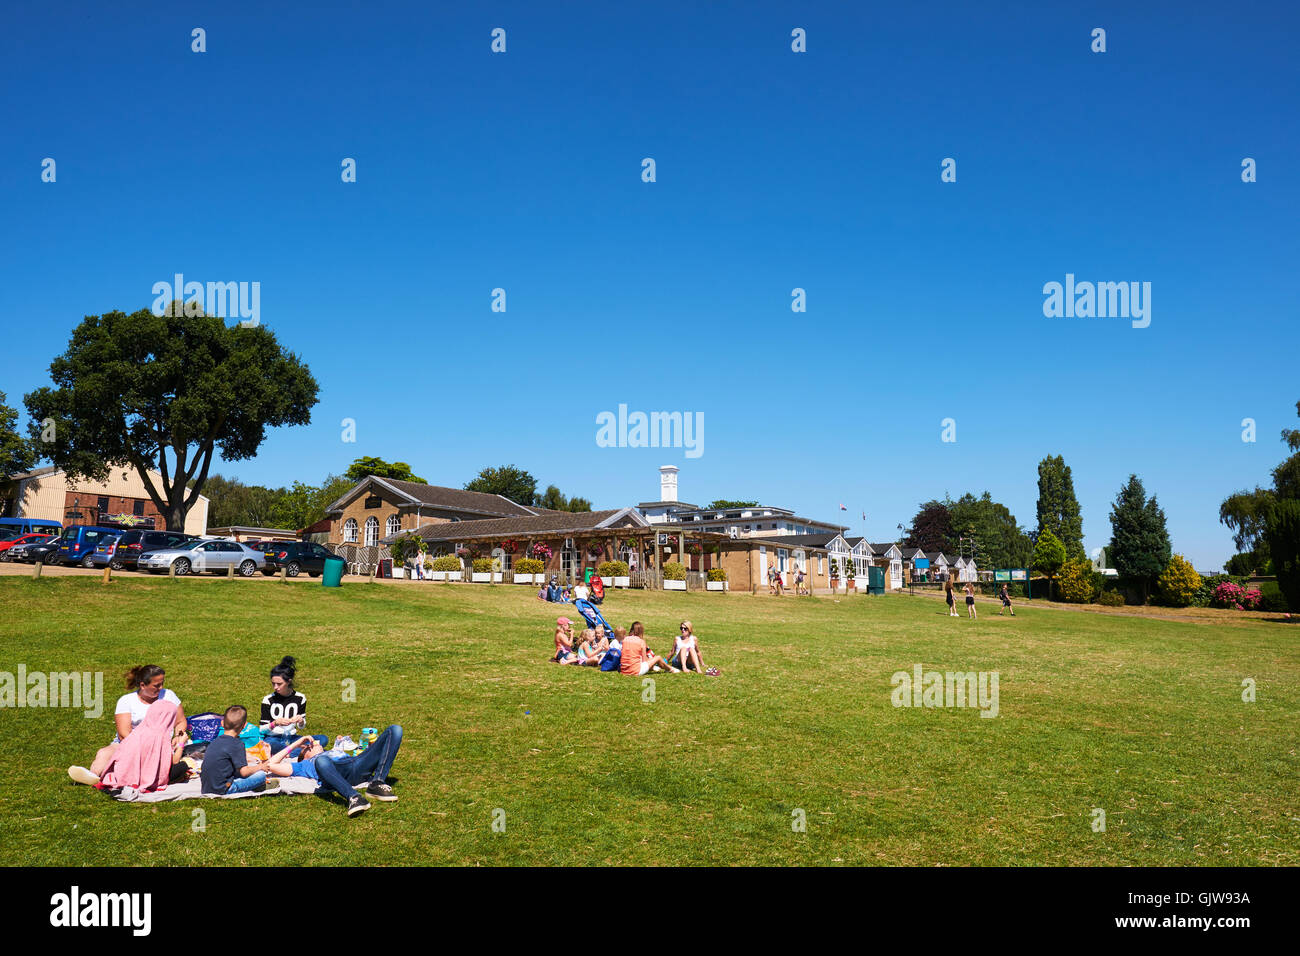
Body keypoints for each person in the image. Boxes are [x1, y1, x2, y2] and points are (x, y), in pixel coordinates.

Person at [68, 663, 187, 785]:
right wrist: (141, 749)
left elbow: (180, 721)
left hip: (160, 745)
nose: (161, 688)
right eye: (156, 685)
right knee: (104, 753)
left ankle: (113, 776)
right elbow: (124, 734)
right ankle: (93, 775)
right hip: (130, 744)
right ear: (142, 685)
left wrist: (178, 735)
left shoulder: (169, 696)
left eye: (162, 683)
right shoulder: (127, 701)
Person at [265, 726, 402, 817]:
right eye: (307, 747)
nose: (312, 744)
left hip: (356, 764)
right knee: (321, 761)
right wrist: (297, 742)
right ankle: (354, 798)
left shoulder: (333, 751)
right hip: (336, 772)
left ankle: (377, 783)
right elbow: (271, 765)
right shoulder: (304, 765)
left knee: (395, 730)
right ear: (303, 756)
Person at [98, 700, 189, 792]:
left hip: (125, 774)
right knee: (182, 766)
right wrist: (181, 743)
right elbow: (174, 761)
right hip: (147, 777)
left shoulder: (138, 731)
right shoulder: (161, 736)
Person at [260, 655, 329, 755]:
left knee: (323, 738)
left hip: (292, 738)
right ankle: (304, 751)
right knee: (271, 745)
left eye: (279, 684)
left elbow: (301, 726)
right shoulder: (268, 700)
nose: (275, 687)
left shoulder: (300, 698)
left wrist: (300, 721)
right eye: (273, 683)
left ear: (289, 682)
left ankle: (292, 751)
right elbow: (262, 729)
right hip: (273, 738)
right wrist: (274, 723)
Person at [200, 706, 268, 796]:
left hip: (206, 787)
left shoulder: (214, 742)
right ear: (244, 726)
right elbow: (244, 772)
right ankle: (258, 786)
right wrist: (260, 767)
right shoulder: (237, 744)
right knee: (261, 775)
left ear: (222, 723)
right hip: (225, 788)